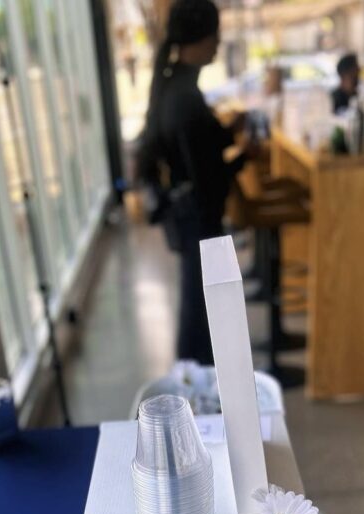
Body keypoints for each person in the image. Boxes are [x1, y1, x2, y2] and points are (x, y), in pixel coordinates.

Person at [137, 0, 253, 364]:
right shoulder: (184, 97)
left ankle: (196, 382)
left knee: (199, 305)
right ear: (197, 40)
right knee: (200, 313)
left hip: (186, 214)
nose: (218, 43)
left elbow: (198, 145)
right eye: (214, 35)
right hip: (197, 217)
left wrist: (227, 132)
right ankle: (194, 389)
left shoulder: (176, 86)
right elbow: (208, 173)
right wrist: (246, 152)